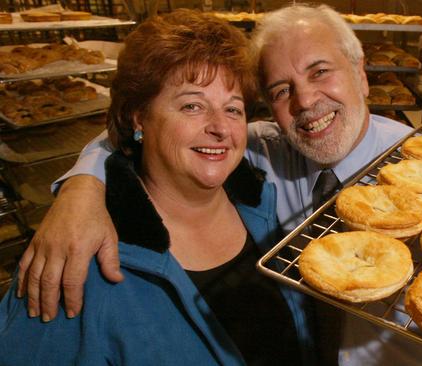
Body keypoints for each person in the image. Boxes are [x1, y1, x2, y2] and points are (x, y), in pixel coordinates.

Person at [15, 4, 422, 365]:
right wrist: (81, 188)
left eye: (320, 72)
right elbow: (132, 132)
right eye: (281, 90)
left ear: (361, 74)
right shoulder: (266, 158)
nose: (305, 101)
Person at [0, 9, 316, 365]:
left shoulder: (265, 207)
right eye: (192, 105)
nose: (220, 128)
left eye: (233, 109)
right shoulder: (75, 261)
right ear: (139, 118)